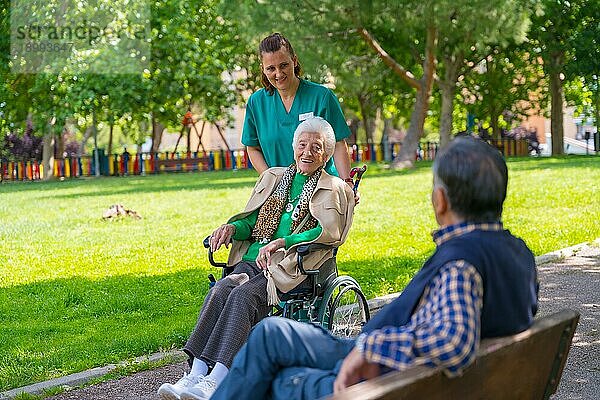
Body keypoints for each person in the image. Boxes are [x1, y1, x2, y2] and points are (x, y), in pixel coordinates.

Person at [210, 136, 539, 400]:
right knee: (272, 333)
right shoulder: (518, 254)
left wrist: (369, 348)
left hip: (384, 379)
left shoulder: (461, 264)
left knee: (281, 379)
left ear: (440, 201)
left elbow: (452, 342)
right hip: (408, 374)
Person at [157, 117, 355, 400]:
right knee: (221, 289)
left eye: (317, 147)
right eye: (302, 145)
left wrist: (283, 241)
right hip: (252, 259)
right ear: (293, 146)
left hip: (289, 267)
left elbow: (328, 232)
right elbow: (250, 221)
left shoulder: (333, 187)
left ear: (326, 154)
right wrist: (231, 228)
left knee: (243, 297)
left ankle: (218, 379)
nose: (307, 152)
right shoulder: (274, 178)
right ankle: (195, 373)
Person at [243, 33, 353, 186]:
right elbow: (252, 148)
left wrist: (347, 183)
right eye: (271, 68)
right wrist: (272, 179)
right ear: (263, 69)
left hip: (322, 189)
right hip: (277, 190)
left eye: (283, 65)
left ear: (294, 61)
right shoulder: (256, 103)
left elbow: (339, 144)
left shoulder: (322, 97)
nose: (278, 74)